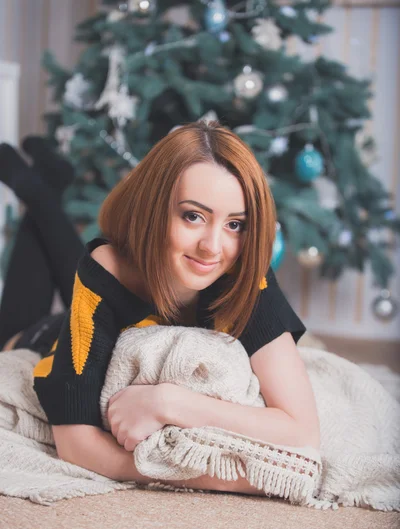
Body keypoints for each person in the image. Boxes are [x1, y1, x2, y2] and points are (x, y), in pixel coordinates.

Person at [0, 121, 320, 496]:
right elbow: (75, 443)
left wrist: (170, 402)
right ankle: (40, 191)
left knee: (94, 266)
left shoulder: (246, 274)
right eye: (193, 216)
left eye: (235, 224)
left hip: (111, 301)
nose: (213, 247)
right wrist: (206, 477)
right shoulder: (107, 271)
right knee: (68, 287)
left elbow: (302, 431)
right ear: (154, 207)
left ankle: (44, 186)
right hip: (43, 334)